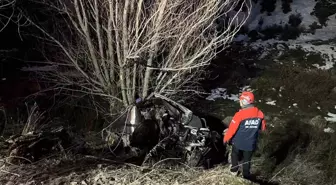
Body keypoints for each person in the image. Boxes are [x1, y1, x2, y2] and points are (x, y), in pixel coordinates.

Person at [223, 91, 266, 179]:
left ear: (245, 102)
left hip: (238, 142)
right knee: (247, 160)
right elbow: (263, 128)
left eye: (241, 100)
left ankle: (234, 171)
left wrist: (226, 139)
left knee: (234, 154)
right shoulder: (260, 114)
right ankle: (246, 175)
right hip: (251, 143)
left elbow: (232, 130)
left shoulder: (239, 114)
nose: (239, 102)